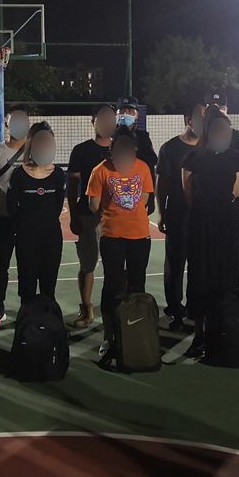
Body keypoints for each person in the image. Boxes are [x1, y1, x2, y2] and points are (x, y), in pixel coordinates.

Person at [85, 126, 155, 355]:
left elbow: (145, 197)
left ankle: (132, 334)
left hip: (138, 236)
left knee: (133, 286)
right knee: (116, 286)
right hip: (113, 237)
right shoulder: (100, 170)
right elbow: (93, 204)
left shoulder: (143, 168)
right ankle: (110, 335)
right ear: (112, 148)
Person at [182, 109, 239, 357]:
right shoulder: (193, 157)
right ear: (208, 131)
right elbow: (188, 193)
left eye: (226, 130)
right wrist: (205, 210)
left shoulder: (236, 157)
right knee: (201, 277)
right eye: (217, 129)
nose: (222, 133)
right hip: (201, 225)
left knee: (227, 277)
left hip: (227, 225)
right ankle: (199, 335)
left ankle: (225, 330)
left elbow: (236, 191)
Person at [66, 103, 116, 328]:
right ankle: (86, 309)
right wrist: (74, 215)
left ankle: (116, 310)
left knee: (117, 267)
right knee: (88, 264)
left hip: (116, 218)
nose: (107, 122)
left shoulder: (122, 149)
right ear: (93, 121)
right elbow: (72, 185)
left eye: (111, 118)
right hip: (89, 216)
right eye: (102, 118)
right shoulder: (81, 150)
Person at [0, 105, 30, 328]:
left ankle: (28, 307)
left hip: (28, 221)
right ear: (7, 124)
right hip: (2, 218)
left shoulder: (35, 150)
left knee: (28, 265)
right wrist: (3, 201)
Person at [156, 103, 204, 330]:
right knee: (175, 265)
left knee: (198, 265)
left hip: (202, 217)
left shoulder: (209, 147)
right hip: (177, 213)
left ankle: (194, 309)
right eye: (199, 117)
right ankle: (174, 309)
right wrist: (162, 213)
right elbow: (162, 183)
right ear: (188, 119)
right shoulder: (170, 148)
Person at [7, 122, 67, 301]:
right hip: (26, 238)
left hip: (51, 237)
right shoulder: (19, 174)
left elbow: (57, 206)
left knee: (49, 286)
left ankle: (48, 315)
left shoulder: (58, 174)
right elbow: (12, 206)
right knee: (27, 286)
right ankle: (27, 316)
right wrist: (24, 227)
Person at [202, 91, 239, 180]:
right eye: (213, 107)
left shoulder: (234, 136)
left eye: (220, 107)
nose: (217, 111)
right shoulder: (197, 134)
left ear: (226, 109)